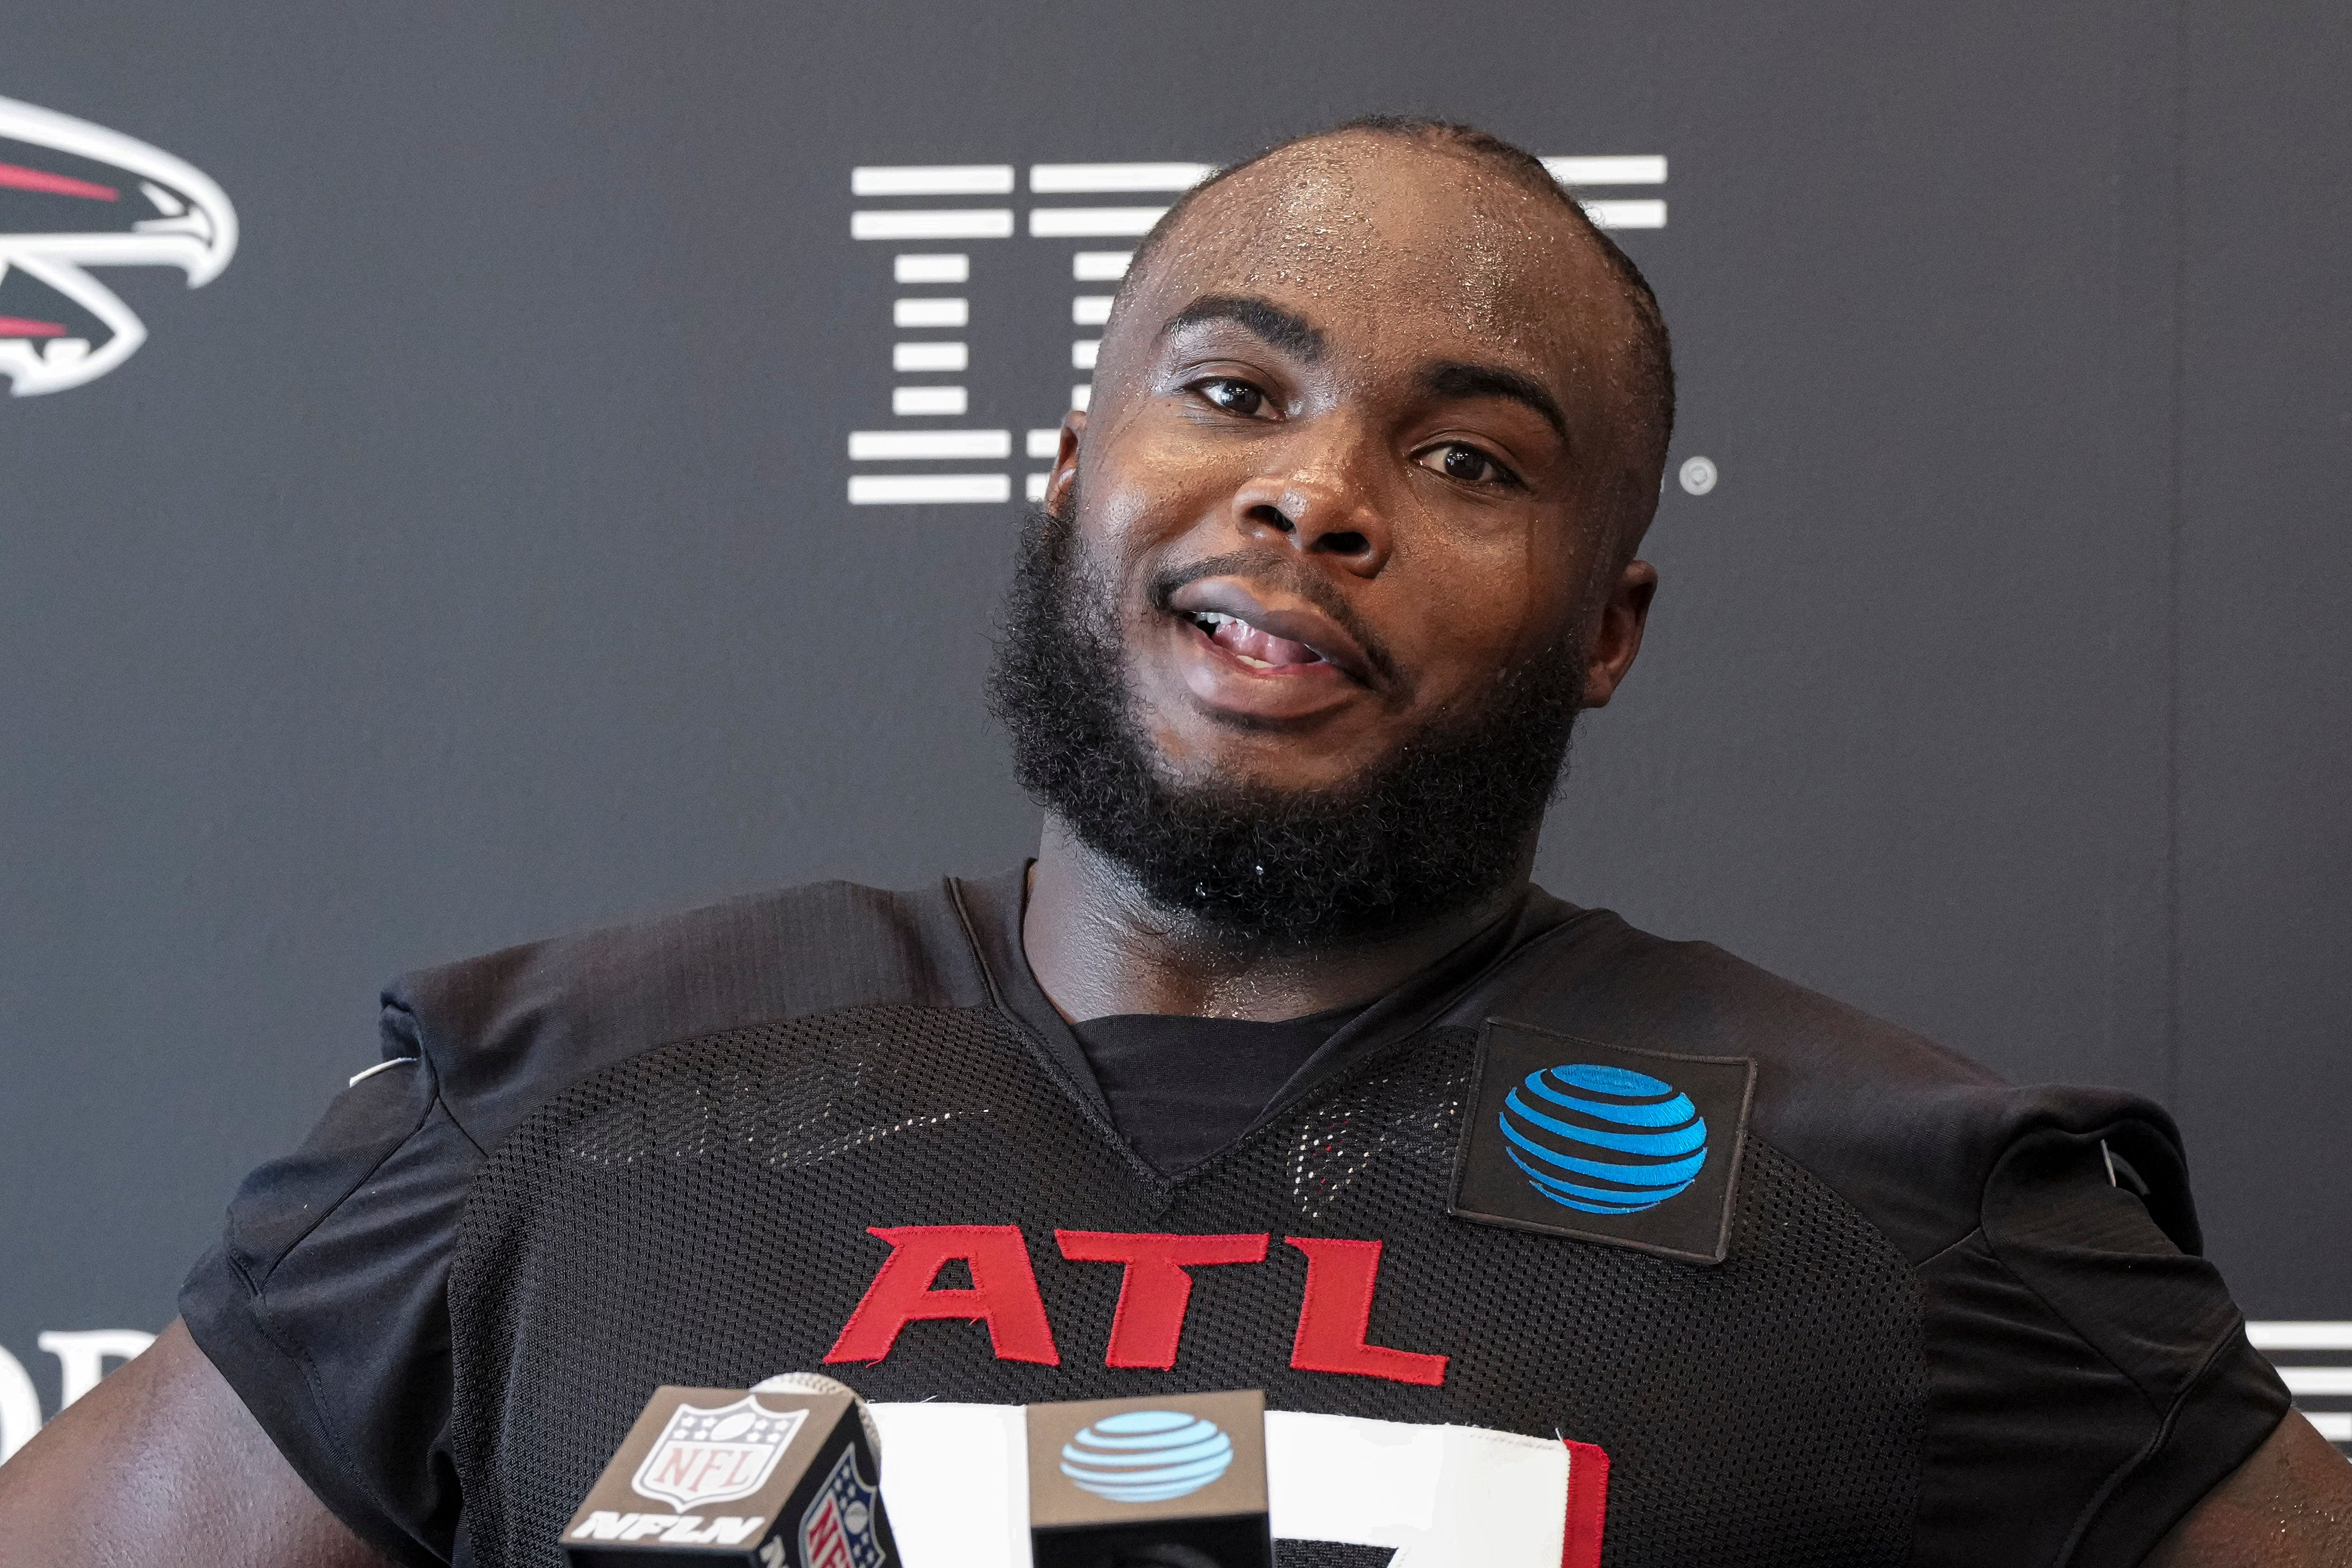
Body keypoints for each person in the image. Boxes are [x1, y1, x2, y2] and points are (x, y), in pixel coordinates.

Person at [1, 116, 2345, 1568]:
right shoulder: (556, 1107)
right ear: (1071, 474)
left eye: (1474, 459)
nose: (1316, 488)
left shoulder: (1908, 1208)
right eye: (1233, 389)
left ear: (1607, 621)